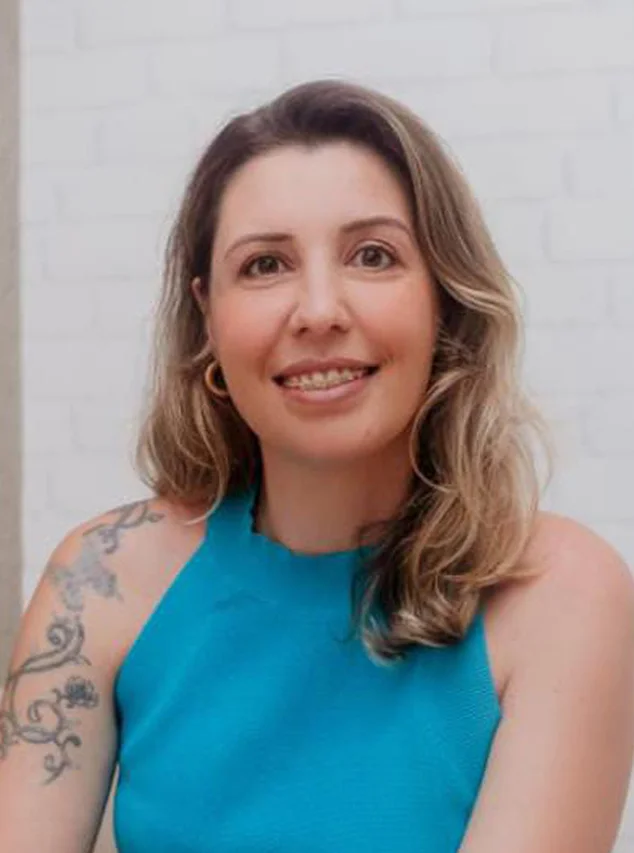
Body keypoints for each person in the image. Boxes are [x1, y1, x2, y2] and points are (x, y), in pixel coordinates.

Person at [1, 79, 633, 853]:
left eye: (373, 255)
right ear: (208, 316)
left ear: (443, 298)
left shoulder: (559, 594)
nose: (320, 311)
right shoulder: (99, 580)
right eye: (265, 264)